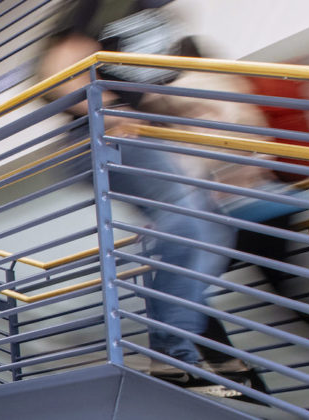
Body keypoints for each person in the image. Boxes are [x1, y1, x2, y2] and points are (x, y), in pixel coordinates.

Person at [39, 0, 242, 391]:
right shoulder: (99, 5)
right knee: (188, 224)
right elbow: (58, 68)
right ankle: (173, 357)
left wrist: (183, 115)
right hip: (93, 136)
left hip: (132, 135)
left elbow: (145, 90)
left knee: (212, 230)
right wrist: (109, 110)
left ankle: (180, 354)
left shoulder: (158, 13)